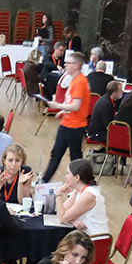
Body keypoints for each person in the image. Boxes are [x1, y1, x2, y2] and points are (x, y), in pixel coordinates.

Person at [42, 51, 92, 182]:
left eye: (68, 63)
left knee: (74, 158)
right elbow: (73, 104)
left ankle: (82, 183)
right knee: (57, 153)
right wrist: (64, 112)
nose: (65, 65)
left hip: (75, 126)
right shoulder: (76, 80)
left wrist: (58, 105)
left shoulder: (79, 82)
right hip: (68, 123)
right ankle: (45, 179)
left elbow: (76, 106)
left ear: (76, 65)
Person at [56, 158, 108, 238]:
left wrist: (58, 193)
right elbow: (62, 211)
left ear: (77, 177)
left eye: (67, 173)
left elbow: (62, 217)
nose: (65, 176)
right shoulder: (78, 190)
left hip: (95, 240)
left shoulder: (89, 195)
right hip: (85, 237)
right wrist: (73, 221)